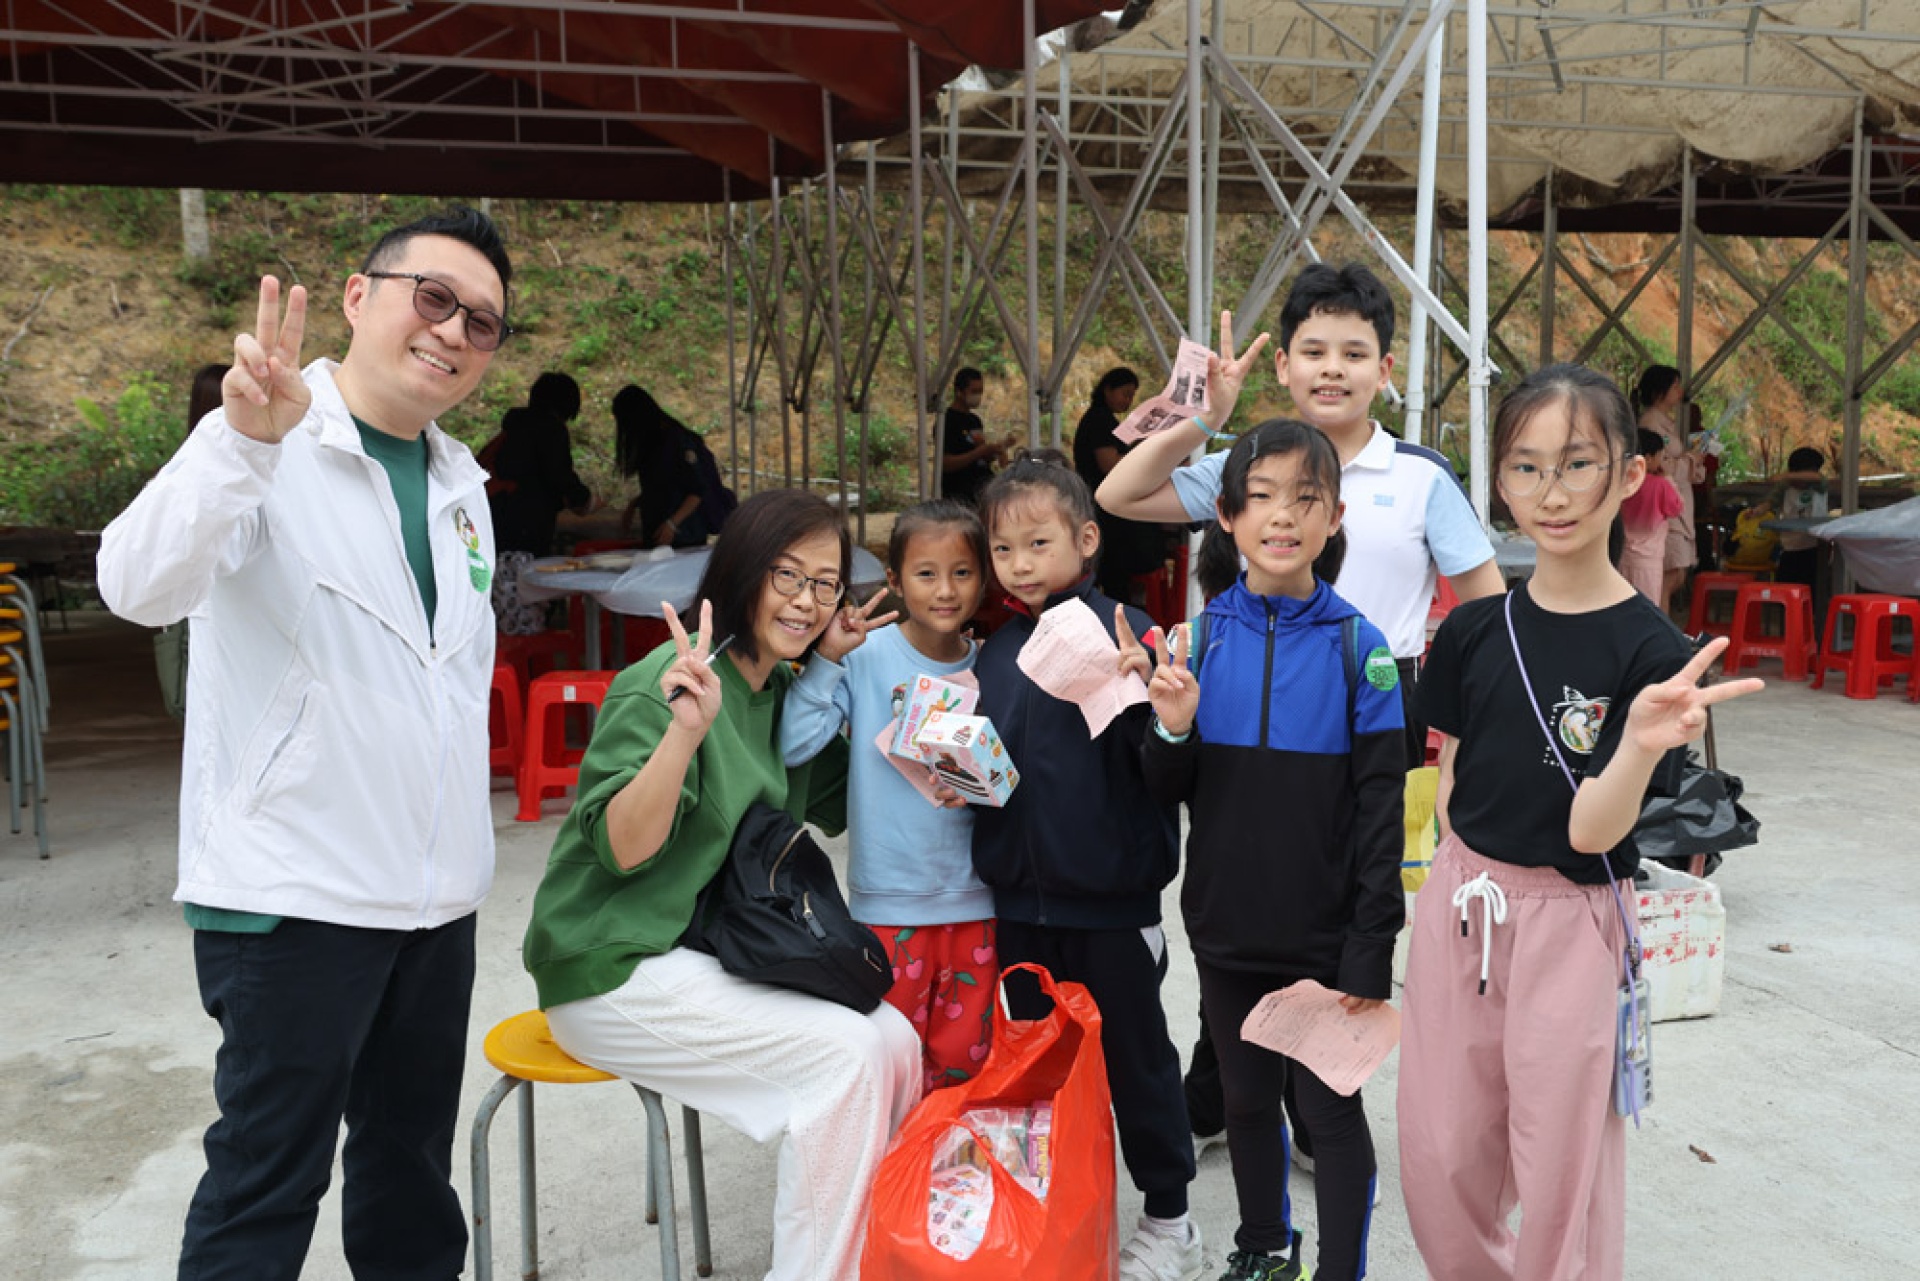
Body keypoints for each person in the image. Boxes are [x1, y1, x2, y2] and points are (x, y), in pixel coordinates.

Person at [98, 206, 514, 1277]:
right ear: (358, 297)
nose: (453, 332)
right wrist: (238, 444)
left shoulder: (462, 487)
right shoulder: (268, 440)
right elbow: (136, 585)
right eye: (434, 298)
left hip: (434, 902)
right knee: (266, 1184)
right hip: (293, 897)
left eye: (481, 322)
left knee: (410, 1176)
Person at [1098, 267, 1502, 1171]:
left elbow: (1486, 610)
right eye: (1313, 350)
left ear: (1386, 370)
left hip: (1373, 711)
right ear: (1282, 365)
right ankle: (1227, 1092)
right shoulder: (1249, 466)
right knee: (1246, 901)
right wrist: (1204, 417)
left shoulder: (1419, 477)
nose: (1332, 369)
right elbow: (1119, 495)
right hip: (1243, 709)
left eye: (1354, 353)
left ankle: (1317, 1100)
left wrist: (1460, 732)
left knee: (1344, 898)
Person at [1399, 364, 1763, 1281]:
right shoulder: (1473, 629)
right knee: (1441, 1154)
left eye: (1576, 464)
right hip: (1464, 905)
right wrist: (1446, 874)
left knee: (1560, 1165)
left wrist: (1637, 743)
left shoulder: (1652, 651)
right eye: (1525, 467)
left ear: (1629, 474)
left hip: (1572, 919)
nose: (1550, 493)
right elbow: (1452, 774)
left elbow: (1592, 833)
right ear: (1498, 480)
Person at [522, 488, 922, 1281]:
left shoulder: (782, 691)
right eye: (787, 575)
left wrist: (901, 714)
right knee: (845, 1059)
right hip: (608, 963)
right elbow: (623, 851)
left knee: (896, 1040)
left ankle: (872, 1261)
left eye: (825, 583)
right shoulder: (671, 681)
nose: (807, 601)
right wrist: (684, 734)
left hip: (697, 952)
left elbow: (851, 799)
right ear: (743, 569)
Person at [1131, 420, 1406, 1281]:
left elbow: (1382, 810)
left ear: (1335, 517)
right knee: (1246, 1100)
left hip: (1325, 935)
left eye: (1305, 498)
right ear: (1226, 516)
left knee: (1328, 1110)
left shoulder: (1362, 649)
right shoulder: (1200, 639)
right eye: (1261, 497)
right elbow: (1163, 790)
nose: (1282, 516)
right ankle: (1262, 1247)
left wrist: (1371, 944)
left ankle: (1339, 1270)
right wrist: (1172, 728)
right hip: (1226, 927)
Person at [969, 456, 1199, 1281]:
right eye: (1003, 549)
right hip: (1018, 904)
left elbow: (1167, 775)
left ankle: (1170, 1218)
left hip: (1110, 903)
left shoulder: (1129, 635)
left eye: (1039, 542)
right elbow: (996, 770)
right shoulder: (995, 651)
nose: (1020, 563)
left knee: (1137, 1061)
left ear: (1087, 538)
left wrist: (1167, 721)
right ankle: (1055, 1211)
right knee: (1036, 1067)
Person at [780, 498, 998, 1091]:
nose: (945, 590)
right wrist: (828, 659)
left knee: (965, 1066)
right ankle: (893, 1154)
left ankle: (945, 1152)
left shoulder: (994, 667)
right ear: (896, 580)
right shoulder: (865, 657)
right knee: (890, 1067)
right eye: (926, 573)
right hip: (886, 904)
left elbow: (1011, 780)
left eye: (962, 572)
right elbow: (795, 745)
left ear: (983, 578)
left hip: (977, 902)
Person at [487, 371, 595, 634]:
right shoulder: (549, 430)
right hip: (520, 538)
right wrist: (586, 501)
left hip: (495, 535)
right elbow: (561, 477)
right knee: (524, 616)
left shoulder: (514, 431)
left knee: (504, 613)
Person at [1074, 366, 1170, 603]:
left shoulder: (1105, 420)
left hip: (1103, 503)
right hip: (1104, 506)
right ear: (1108, 390)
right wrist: (1142, 452)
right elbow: (1108, 464)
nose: (1128, 400)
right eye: (1125, 393)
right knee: (1118, 563)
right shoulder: (1099, 420)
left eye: (1131, 396)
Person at [1631, 365, 1706, 610]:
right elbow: (1660, 464)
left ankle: (1662, 622)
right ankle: (1661, 624)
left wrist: (1693, 460)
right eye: (1674, 386)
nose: (1680, 391)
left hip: (1676, 500)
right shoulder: (1651, 422)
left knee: (1675, 573)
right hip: (1665, 506)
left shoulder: (1665, 423)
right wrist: (1691, 459)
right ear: (1658, 392)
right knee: (1669, 575)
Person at [615, 384, 709, 548]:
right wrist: (635, 504)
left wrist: (672, 524)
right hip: (657, 533)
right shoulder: (651, 443)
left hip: (685, 537)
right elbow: (661, 486)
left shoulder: (678, 441)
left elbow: (697, 491)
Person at [1619, 428, 1682, 606]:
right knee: (1647, 607)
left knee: (1622, 606)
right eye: (1660, 456)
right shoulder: (1660, 485)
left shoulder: (1622, 482)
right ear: (1647, 459)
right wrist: (1668, 478)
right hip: (1648, 560)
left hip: (1623, 555)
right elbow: (1676, 508)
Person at [941, 367, 1006, 505]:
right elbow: (945, 463)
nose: (978, 396)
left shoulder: (974, 420)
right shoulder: (947, 421)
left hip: (982, 490)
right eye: (974, 391)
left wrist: (993, 451)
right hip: (960, 493)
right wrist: (978, 452)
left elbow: (982, 457)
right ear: (959, 392)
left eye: (980, 392)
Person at [1770, 445, 1829, 589]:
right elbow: (1771, 502)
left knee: (1811, 586)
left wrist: (1786, 476)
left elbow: (1818, 478)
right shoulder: (1785, 487)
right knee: (1786, 586)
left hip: (1815, 545)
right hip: (1790, 546)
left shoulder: (1819, 486)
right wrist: (1757, 511)